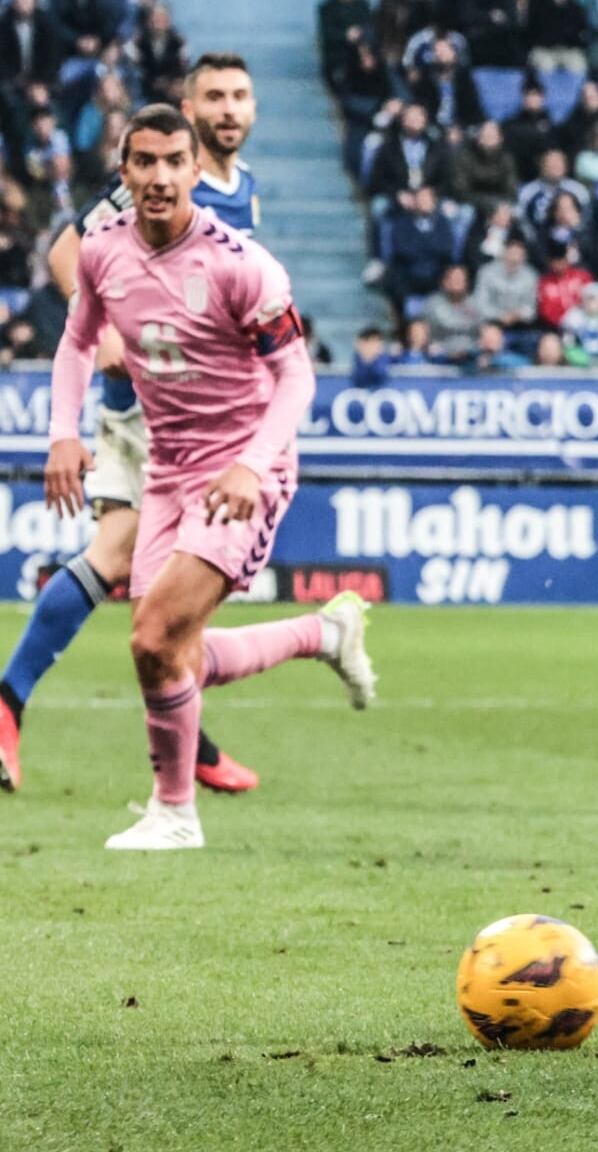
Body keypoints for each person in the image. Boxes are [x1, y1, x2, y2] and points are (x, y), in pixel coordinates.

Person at [45, 105, 377, 848]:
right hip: (167, 465)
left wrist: (253, 465)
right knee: (171, 648)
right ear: (124, 174)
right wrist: (62, 434)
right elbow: (75, 340)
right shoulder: (102, 251)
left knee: (156, 638)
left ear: (197, 170)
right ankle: (323, 633)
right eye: (144, 163)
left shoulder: (238, 264)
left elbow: (296, 378)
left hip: (243, 472)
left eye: (173, 162)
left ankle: (175, 813)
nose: (159, 178)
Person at [1, 54, 267, 795]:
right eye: (212, 96)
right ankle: (14, 698)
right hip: (153, 415)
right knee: (138, 567)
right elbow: (65, 250)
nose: (227, 109)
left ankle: (187, 737)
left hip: (202, 413)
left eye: (239, 96)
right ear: (186, 107)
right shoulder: (152, 181)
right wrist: (108, 333)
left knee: (158, 583)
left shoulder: (243, 191)